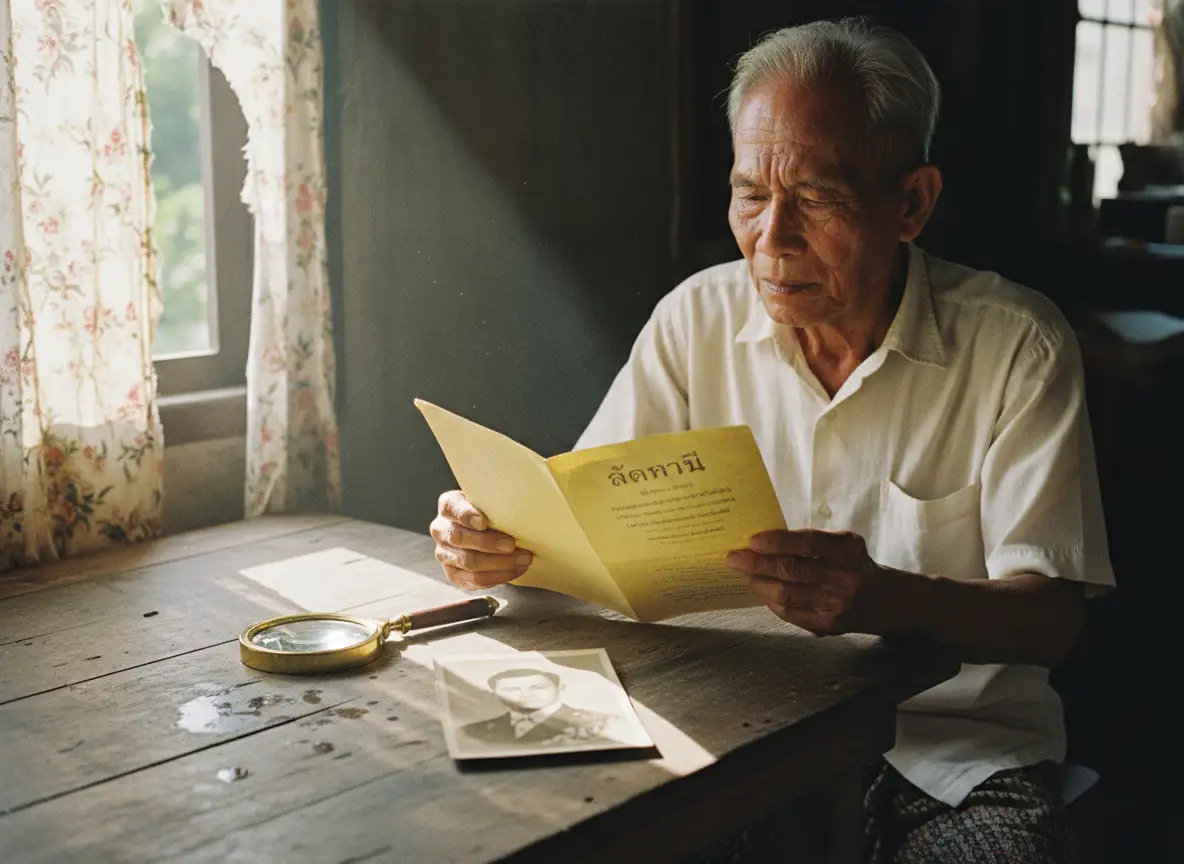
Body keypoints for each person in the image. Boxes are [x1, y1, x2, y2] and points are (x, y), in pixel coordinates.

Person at [430, 17, 1113, 863]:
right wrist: (495, 539)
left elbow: (1051, 622)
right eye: (750, 194)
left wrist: (883, 600)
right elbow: (583, 529)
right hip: (744, 738)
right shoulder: (695, 321)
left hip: (956, 753)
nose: (772, 238)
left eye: (817, 199)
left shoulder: (1017, 345)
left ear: (912, 203)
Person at [457, 668, 614, 748]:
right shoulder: (473, 731)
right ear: (494, 695)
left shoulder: (602, 723)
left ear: (560, 688)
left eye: (538, 687)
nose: (525, 694)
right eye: (511, 689)